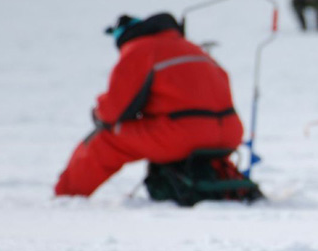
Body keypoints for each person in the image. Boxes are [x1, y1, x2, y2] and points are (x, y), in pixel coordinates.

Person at [55, 13, 253, 202]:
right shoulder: (192, 48)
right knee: (196, 149)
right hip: (228, 135)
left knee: (108, 138)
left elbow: (113, 110)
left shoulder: (139, 49)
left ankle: (66, 196)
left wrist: (99, 113)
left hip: (182, 136)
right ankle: (230, 186)